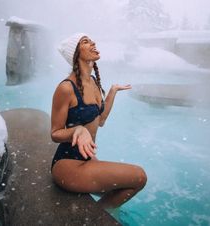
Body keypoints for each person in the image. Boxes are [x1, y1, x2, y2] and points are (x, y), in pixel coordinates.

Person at [50, 33, 147, 210]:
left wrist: (112, 91)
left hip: (87, 158)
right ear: (75, 54)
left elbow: (100, 120)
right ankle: (100, 217)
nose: (93, 43)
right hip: (68, 163)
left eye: (92, 40)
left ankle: (100, 214)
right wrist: (77, 130)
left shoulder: (93, 82)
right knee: (139, 177)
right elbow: (55, 133)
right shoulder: (66, 88)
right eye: (86, 42)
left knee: (123, 186)